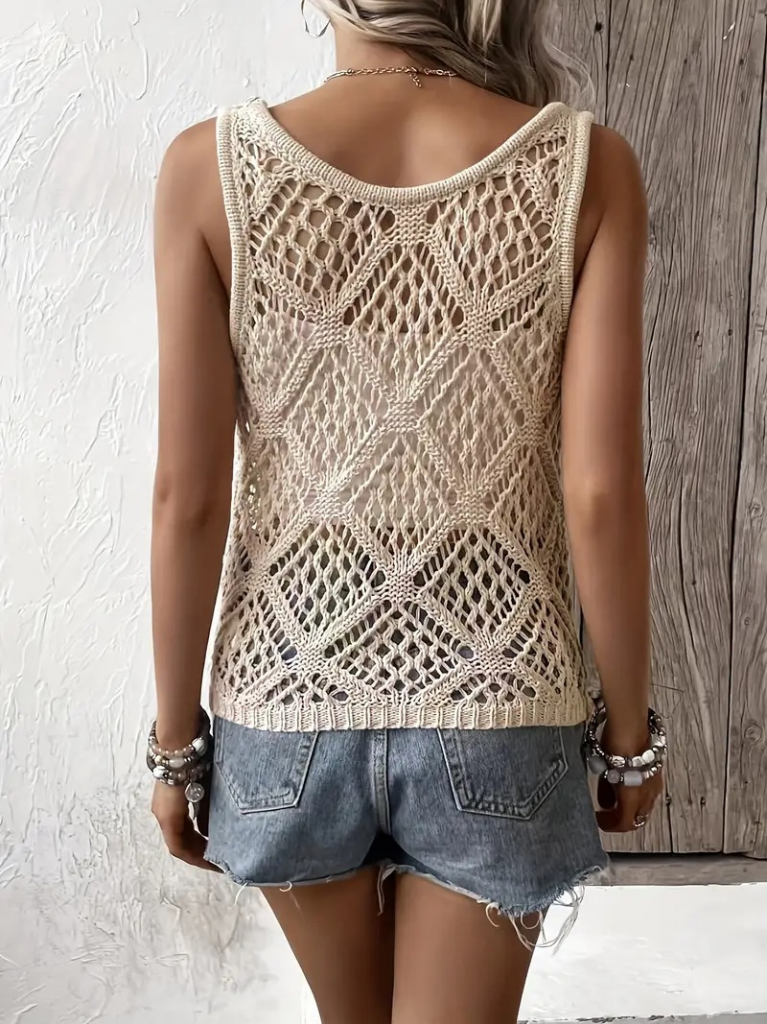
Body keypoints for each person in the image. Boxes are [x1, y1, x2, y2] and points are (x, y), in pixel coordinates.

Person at [148, 2, 664, 1021]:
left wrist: (176, 750)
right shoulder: (584, 166)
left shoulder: (208, 169)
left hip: (286, 694)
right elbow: (599, 494)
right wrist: (627, 736)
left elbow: (187, 497)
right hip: (497, 691)